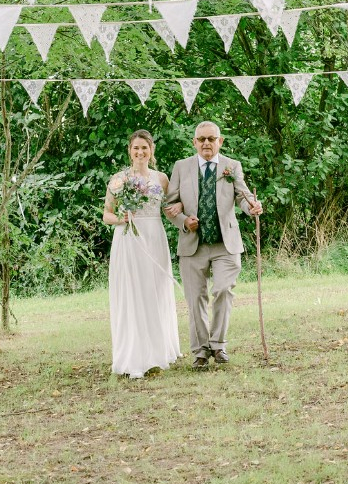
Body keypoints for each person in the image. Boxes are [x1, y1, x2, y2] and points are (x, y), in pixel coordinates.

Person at [164, 121, 263, 369]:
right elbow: (170, 206)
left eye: (211, 139)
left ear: (220, 141)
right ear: (194, 142)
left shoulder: (232, 166)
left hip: (225, 244)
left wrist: (252, 207)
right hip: (192, 244)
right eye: (201, 139)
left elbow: (242, 195)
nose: (206, 143)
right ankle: (200, 351)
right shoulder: (181, 167)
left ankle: (218, 345)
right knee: (195, 298)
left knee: (223, 290)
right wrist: (184, 221)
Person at [104, 129, 182, 379]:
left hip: (154, 237)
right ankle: (133, 355)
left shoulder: (162, 178)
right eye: (136, 148)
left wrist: (181, 210)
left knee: (155, 291)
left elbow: (171, 208)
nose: (140, 152)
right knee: (132, 292)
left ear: (151, 151)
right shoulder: (118, 179)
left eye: (144, 148)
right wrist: (120, 218)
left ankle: (159, 352)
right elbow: (106, 214)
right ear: (130, 150)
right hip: (128, 239)